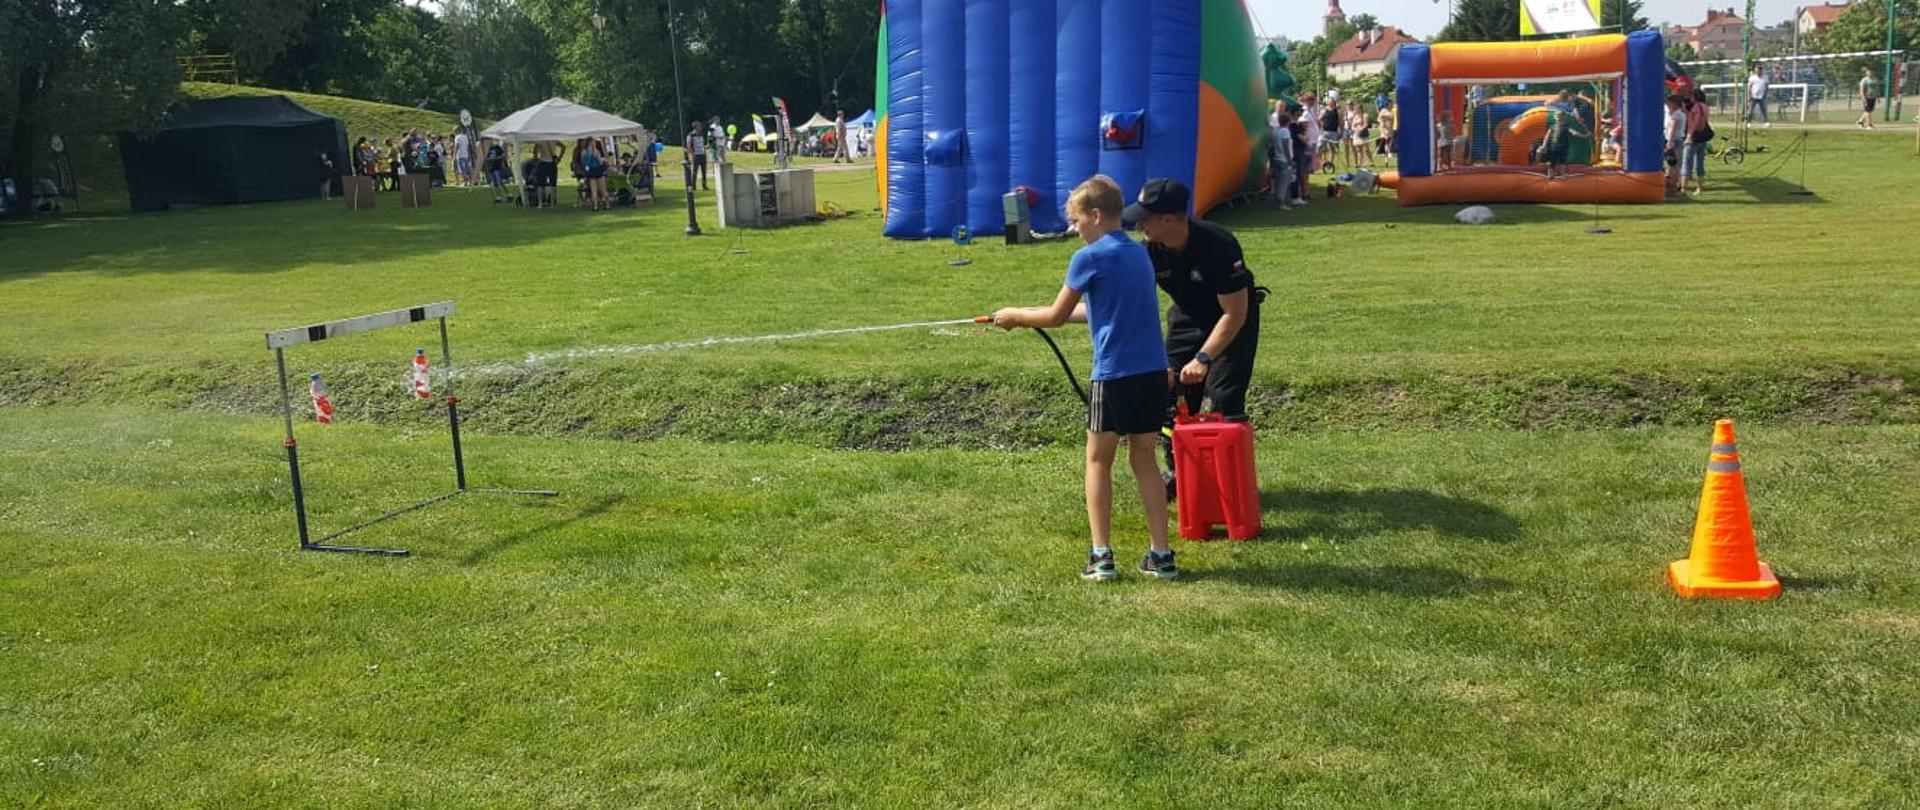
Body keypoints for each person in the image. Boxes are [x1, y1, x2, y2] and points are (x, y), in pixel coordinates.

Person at [990, 175, 1175, 582]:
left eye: (1077, 221)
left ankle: (1101, 557)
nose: (1075, 230)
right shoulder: (1140, 254)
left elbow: (1055, 315)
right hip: (1152, 372)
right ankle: (1161, 555)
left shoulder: (1088, 258)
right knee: (1144, 459)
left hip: (1114, 374)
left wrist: (1015, 316)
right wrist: (1021, 315)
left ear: (1095, 215)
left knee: (1097, 461)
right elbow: (1097, 311)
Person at [1541, 90, 1589, 180]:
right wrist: (1544, 145)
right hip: (1554, 147)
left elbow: (1574, 133)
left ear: (1563, 118)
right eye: (1559, 117)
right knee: (1553, 162)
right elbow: (1547, 136)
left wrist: (1584, 136)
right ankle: (1551, 175)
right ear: (1556, 118)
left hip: (1561, 147)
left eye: (1561, 117)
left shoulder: (1565, 127)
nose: (1560, 119)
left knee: (1561, 162)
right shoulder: (1553, 126)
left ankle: (1561, 175)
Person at [1683, 90, 1710, 196]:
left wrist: (1689, 136)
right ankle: (1700, 187)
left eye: (1691, 96)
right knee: (1700, 163)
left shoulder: (1696, 107)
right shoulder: (1705, 106)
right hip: (1702, 138)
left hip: (1693, 138)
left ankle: (1683, 188)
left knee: (1686, 163)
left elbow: (1695, 122)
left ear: (1695, 97)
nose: (1690, 99)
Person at [1664, 95, 1687, 195]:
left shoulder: (1676, 115)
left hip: (1675, 141)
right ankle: (1671, 186)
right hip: (1676, 140)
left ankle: (1672, 187)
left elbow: (1673, 130)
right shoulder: (1676, 114)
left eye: (1669, 103)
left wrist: (1670, 142)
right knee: (1672, 165)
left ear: (1674, 104)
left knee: (1674, 165)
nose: (1667, 105)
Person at [684, 122, 708, 189]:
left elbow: (703, 143)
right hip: (696, 155)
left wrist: (705, 150)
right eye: (699, 126)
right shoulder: (691, 135)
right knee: (695, 172)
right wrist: (691, 153)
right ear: (695, 127)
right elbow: (688, 145)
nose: (700, 127)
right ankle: (693, 185)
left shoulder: (701, 134)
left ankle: (704, 185)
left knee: (704, 171)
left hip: (703, 154)